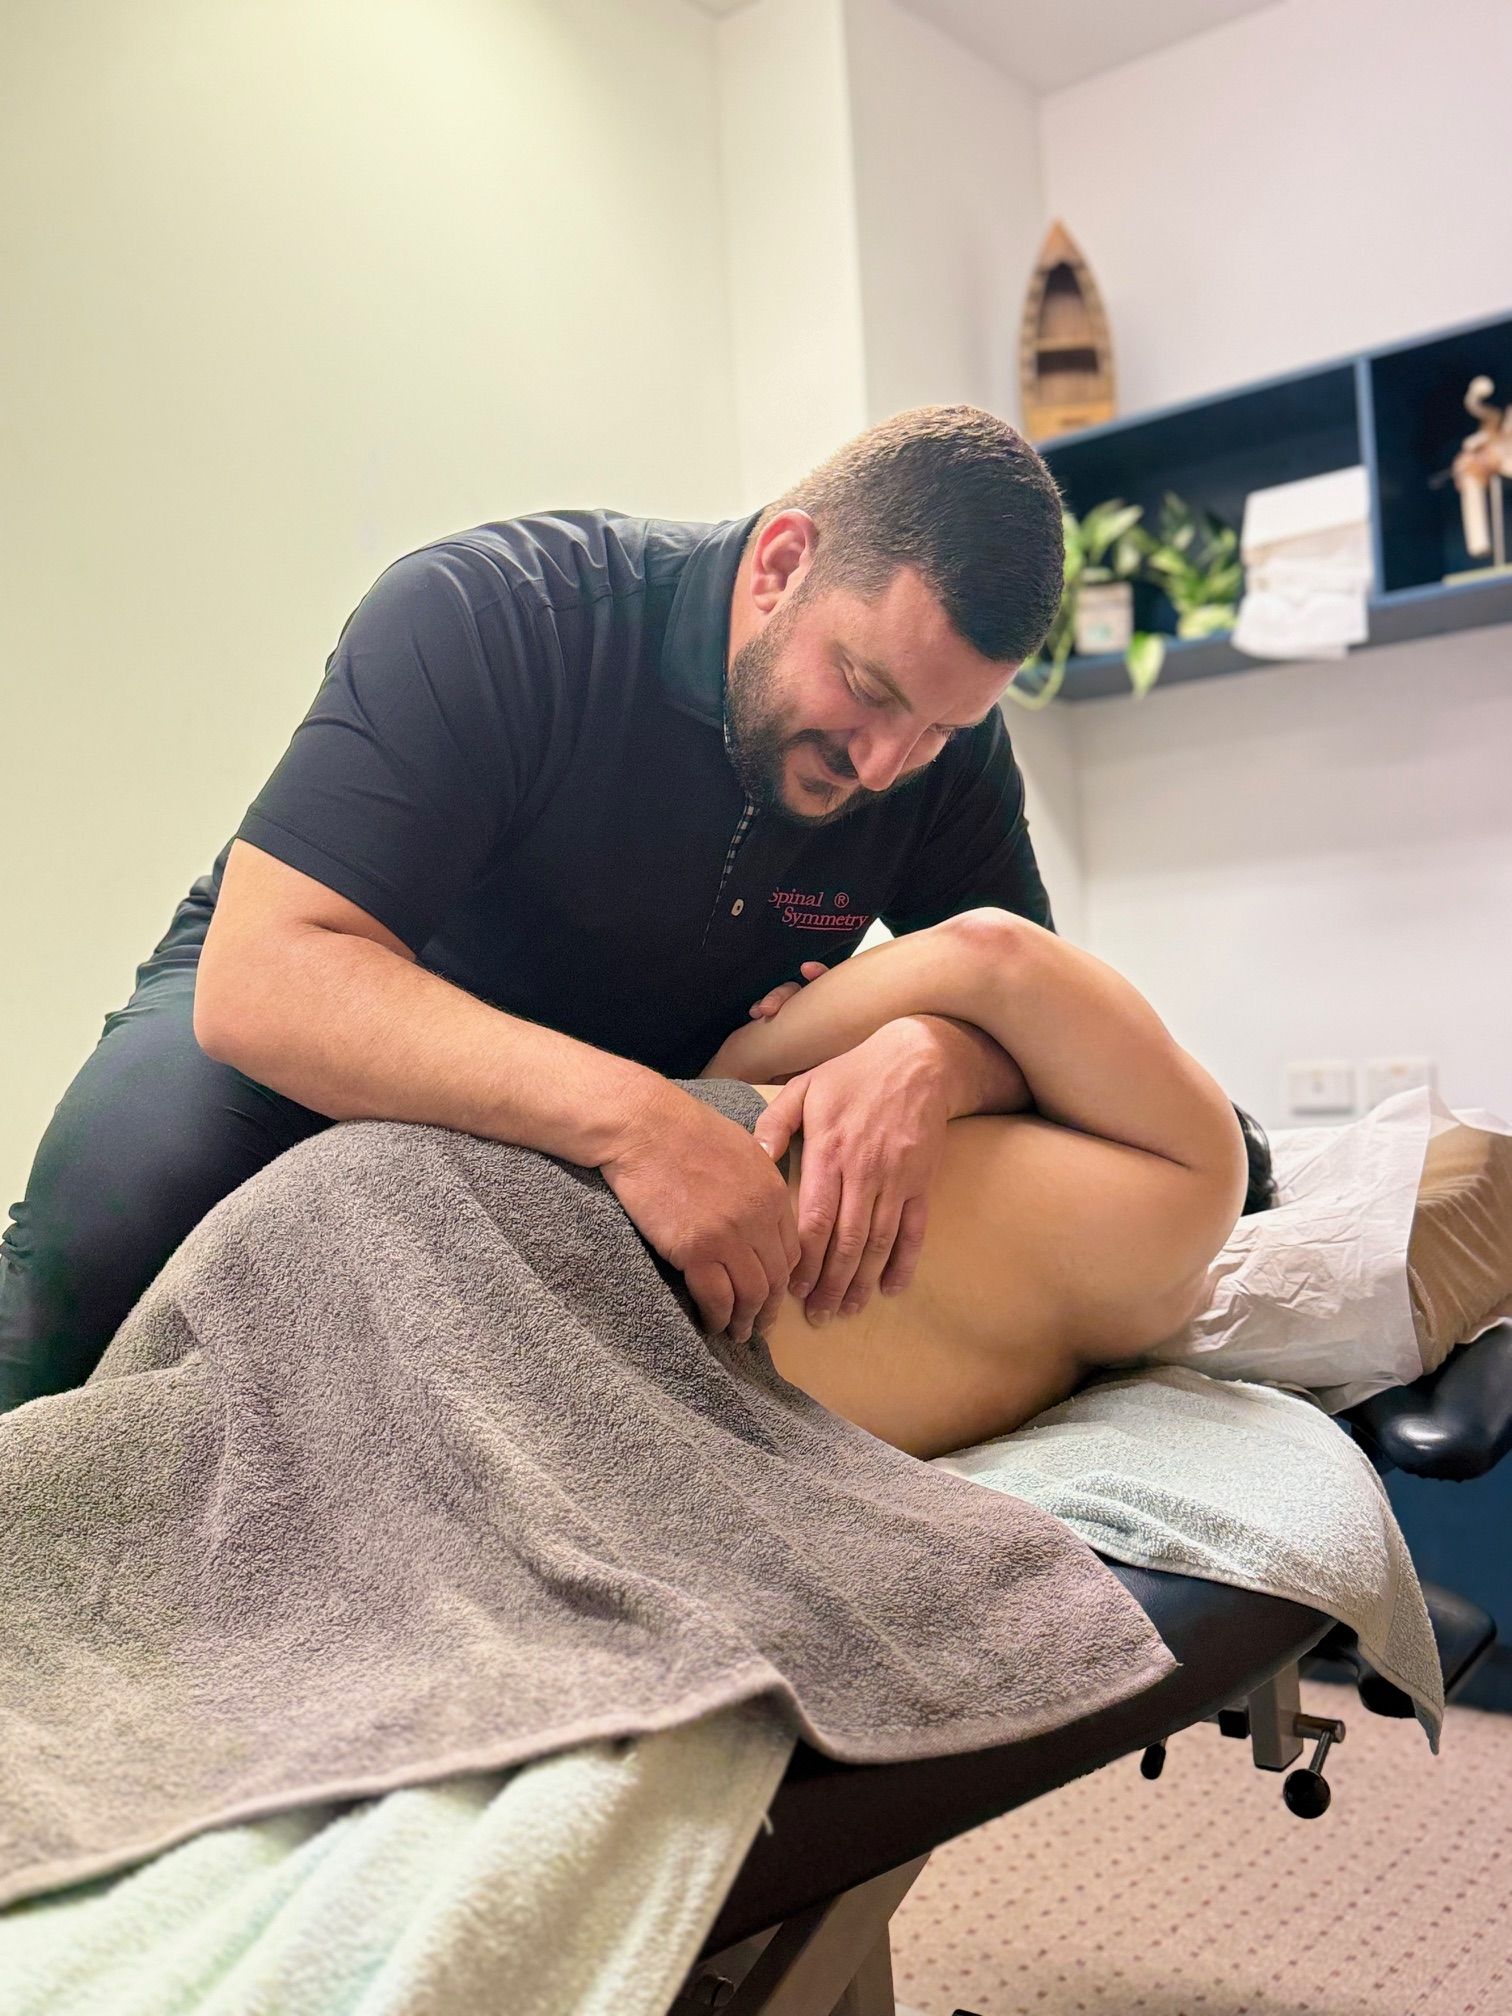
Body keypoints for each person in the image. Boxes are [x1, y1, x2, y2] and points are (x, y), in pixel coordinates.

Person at [0, 406, 1065, 1414]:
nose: (885, 766)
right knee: (103, 1245)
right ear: (784, 564)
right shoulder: (497, 615)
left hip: (630, 1094)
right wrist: (642, 1121)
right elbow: (266, 978)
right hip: (337, 1003)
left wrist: (932, 1054)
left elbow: (1056, 1019)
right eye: (868, 691)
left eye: (936, 729)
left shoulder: (944, 757)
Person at [704, 906, 1279, 1461]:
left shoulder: (1199, 1181)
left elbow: (991, 951)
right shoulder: (1061, 1359)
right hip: (711, 1416)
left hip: (675, 1201)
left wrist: (753, 1051)